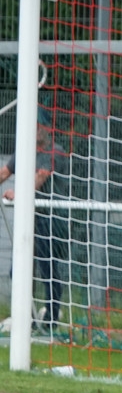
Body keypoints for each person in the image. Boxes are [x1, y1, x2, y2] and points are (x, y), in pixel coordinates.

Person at [0, 125, 69, 336]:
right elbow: (4, 172)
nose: (36, 130)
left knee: (48, 269)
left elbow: (40, 177)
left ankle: (51, 320)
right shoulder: (23, 151)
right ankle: (26, 318)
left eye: (40, 127)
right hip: (29, 220)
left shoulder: (54, 152)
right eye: (34, 127)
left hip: (51, 219)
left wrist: (18, 193)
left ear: (46, 130)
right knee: (18, 270)